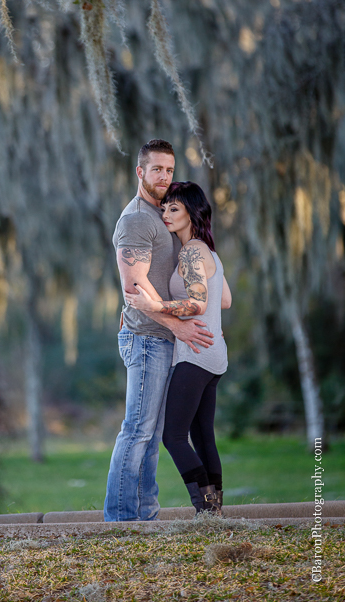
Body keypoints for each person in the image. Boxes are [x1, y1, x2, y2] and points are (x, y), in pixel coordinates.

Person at [104, 140, 215, 522]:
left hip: (163, 339)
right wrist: (177, 326)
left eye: (169, 170)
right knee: (137, 431)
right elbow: (133, 288)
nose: (164, 177)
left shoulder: (165, 215)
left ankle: (145, 514)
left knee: (152, 436)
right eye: (157, 170)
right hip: (147, 339)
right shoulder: (137, 219)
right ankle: (121, 519)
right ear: (140, 172)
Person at [130, 181, 232, 516]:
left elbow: (199, 304)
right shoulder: (208, 250)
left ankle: (204, 509)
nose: (166, 214)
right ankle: (215, 512)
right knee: (203, 437)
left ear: (192, 211)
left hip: (195, 355)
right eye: (164, 208)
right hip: (215, 354)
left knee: (173, 437)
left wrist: (154, 304)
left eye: (174, 208)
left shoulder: (189, 252)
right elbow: (225, 300)